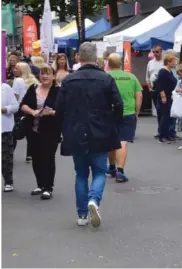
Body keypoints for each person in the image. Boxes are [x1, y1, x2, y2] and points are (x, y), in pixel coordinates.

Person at [56, 42, 124, 228]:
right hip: (100, 130)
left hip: (76, 131)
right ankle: (94, 199)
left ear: (78, 57)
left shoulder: (69, 80)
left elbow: (59, 108)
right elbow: (118, 105)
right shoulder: (106, 79)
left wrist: (64, 129)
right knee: (100, 171)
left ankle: (82, 215)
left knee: (80, 173)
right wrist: (112, 123)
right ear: (96, 58)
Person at [20, 66, 61, 200]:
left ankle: (48, 187)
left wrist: (52, 112)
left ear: (53, 77)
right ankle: (40, 184)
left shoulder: (58, 91)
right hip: (33, 129)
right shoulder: (33, 88)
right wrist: (32, 112)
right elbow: (23, 105)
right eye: (42, 74)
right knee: (36, 158)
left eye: (48, 74)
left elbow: (64, 109)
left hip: (51, 130)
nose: (44, 76)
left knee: (48, 157)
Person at [106, 54, 142, 183]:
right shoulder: (131, 77)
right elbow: (139, 95)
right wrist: (137, 112)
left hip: (110, 112)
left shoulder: (106, 77)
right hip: (128, 112)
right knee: (123, 141)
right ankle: (120, 171)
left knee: (111, 141)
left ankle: (111, 167)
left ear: (108, 64)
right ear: (121, 63)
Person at [153, 53, 178, 143]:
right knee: (165, 116)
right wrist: (163, 96)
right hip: (165, 97)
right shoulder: (163, 71)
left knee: (169, 116)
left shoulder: (170, 71)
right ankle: (162, 135)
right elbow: (160, 85)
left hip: (170, 96)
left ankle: (167, 134)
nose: (175, 63)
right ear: (168, 62)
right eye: (174, 61)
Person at [2, 82, 19, 192]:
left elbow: (15, 106)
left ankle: (8, 181)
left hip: (4, 128)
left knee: (5, 158)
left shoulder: (5, 88)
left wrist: (5, 109)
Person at [146, 45, 164, 139]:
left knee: (162, 110)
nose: (155, 54)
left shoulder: (164, 62)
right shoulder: (150, 63)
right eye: (154, 52)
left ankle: (164, 130)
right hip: (153, 89)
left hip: (163, 89)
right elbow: (147, 76)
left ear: (161, 52)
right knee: (158, 110)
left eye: (157, 52)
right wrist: (149, 87)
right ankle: (160, 130)